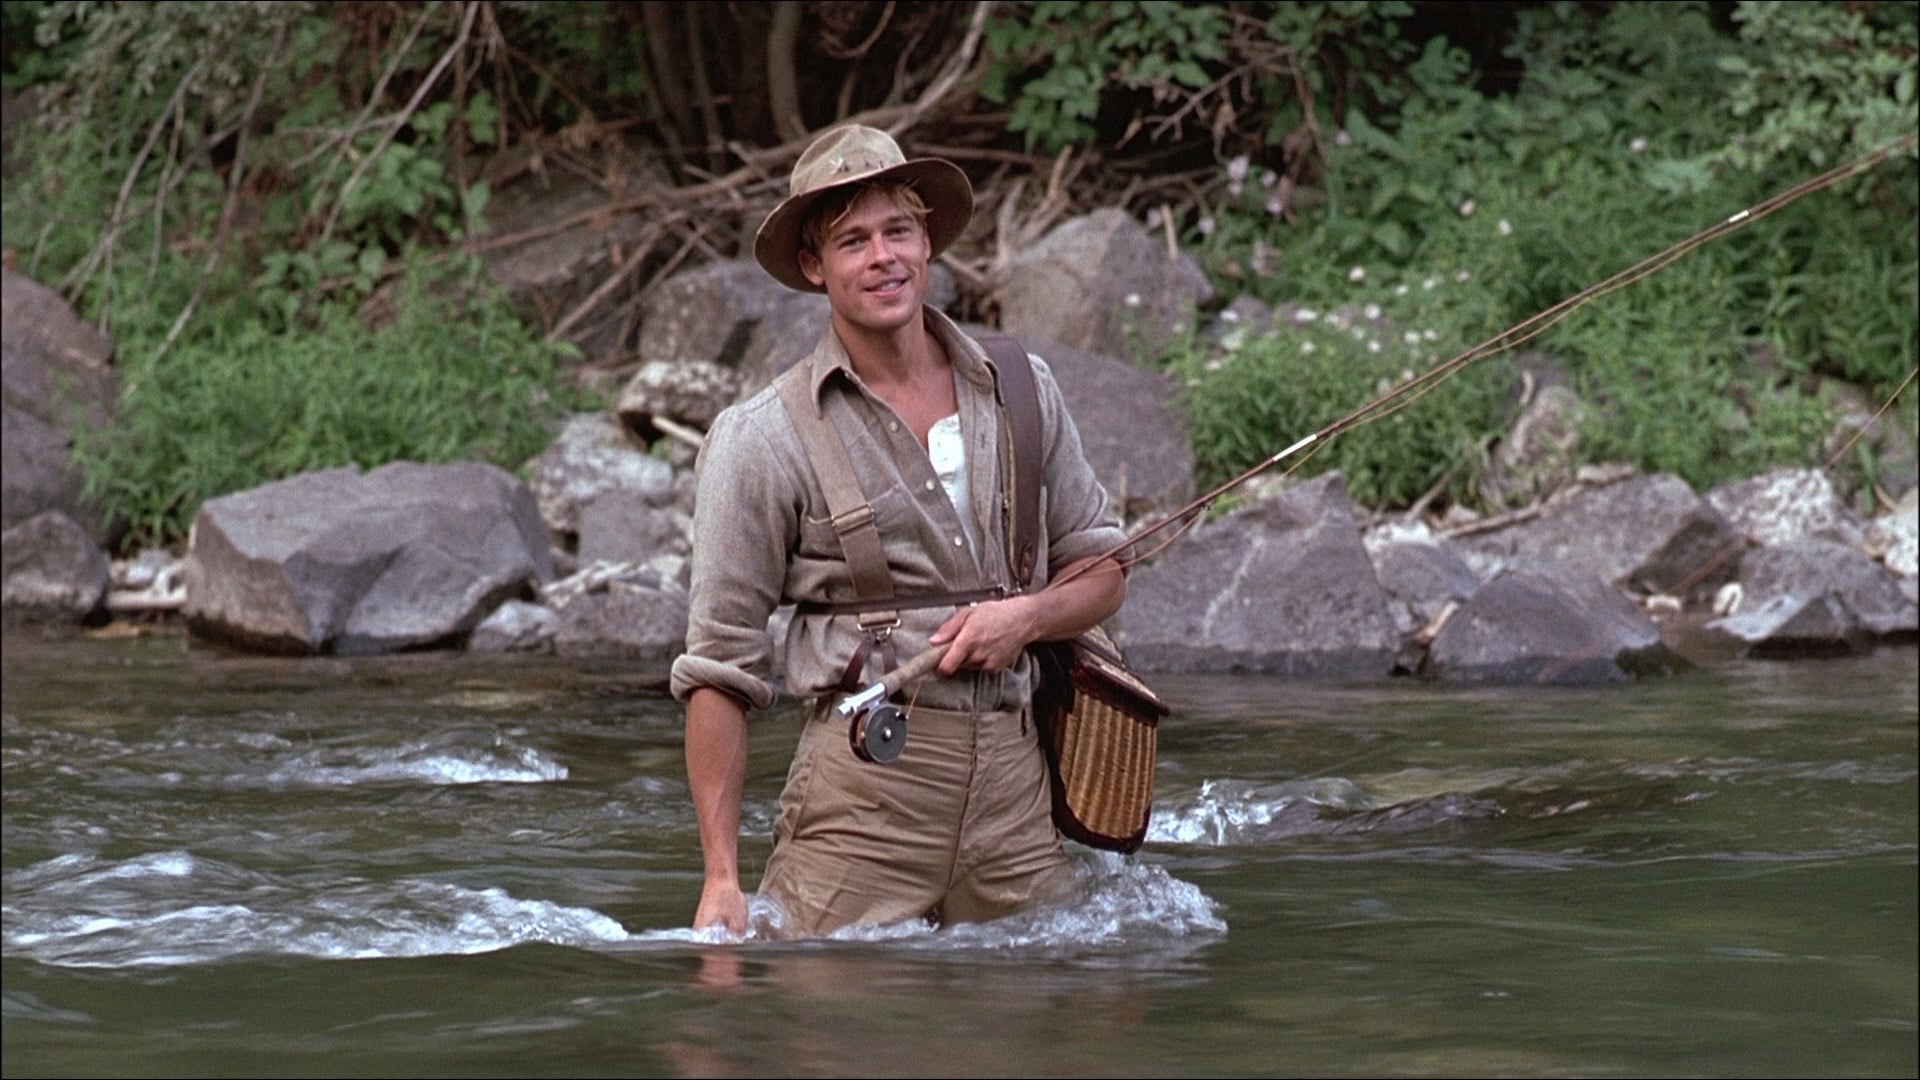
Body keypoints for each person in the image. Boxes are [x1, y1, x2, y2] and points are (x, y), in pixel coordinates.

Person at [669, 124, 1129, 937]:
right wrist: (720, 880)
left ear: (927, 243)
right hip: (860, 804)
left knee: (1057, 1000)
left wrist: (1025, 618)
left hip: (1017, 800)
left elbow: (1103, 568)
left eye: (899, 232)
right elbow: (718, 669)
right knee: (832, 1013)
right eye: (853, 241)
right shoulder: (761, 438)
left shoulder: (1021, 388)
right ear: (815, 266)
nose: (883, 257)